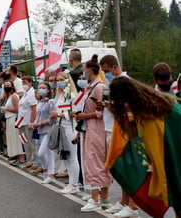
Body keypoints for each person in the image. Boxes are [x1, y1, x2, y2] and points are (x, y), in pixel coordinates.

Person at [106, 77, 181, 218]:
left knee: (176, 192)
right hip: (173, 151)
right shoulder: (152, 103)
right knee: (176, 196)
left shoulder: (152, 114)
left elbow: (158, 145)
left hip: (174, 152)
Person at [100, 54, 139, 217]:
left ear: (114, 67)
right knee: (121, 168)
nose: (105, 73)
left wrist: (112, 106)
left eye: (106, 70)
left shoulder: (125, 81)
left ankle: (133, 206)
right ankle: (124, 202)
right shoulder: (112, 82)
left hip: (124, 129)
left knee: (128, 168)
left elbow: (129, 106)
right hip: (112, 128)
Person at [72, 55, 112, 212]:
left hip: (96, 128)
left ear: (89, 70)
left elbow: (100, 111)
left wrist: (83, 116)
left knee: (95, 161)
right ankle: (102, 197)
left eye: (85, 70)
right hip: (89, 127)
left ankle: (97, 198)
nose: (83, 73)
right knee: (95, 160)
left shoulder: (99, 87)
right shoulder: (90, 87)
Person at [49, 72, 80, 194]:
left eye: (62, 79)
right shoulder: (60, 96)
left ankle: (74, 184)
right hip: (61, 128)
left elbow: (75, 113)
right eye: (58, 80)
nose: (59, 82)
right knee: (66, 157)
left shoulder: (71, 95)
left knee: (72, 157)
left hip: (70, 129)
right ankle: (71, 183)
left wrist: (59, 114)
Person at [32, 82, 56, 181]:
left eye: (43, 88)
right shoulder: (40, 102)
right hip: (39, 131)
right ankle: (49, 173)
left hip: (48, 130)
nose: (41, 89)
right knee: (45, 153)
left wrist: (41, 123)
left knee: (42, 153)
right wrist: (34, 123)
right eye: (40, 87)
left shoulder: (51, 102)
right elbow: (37, 117)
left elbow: (52, 119)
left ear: (48, 90)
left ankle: (48, 172)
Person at [17, 76, 37, 168]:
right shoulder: (25, 93)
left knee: (31, 142)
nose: (23, 84)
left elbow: (34, 108)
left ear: (30, 83)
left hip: (28, 121)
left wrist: (31, 122)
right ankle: (29, 160)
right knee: (25, 142)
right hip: (21, 121)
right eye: (22, 83)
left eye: (25, 82)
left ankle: (35, 161)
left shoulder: (32, 93)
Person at [2, 80, 24, 163]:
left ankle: (21, 157)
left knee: (16, 138)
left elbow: (17, 109)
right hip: (8, 119)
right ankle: (16, 156)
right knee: (12, 138)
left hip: (13, 118)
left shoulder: (14, 96)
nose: (6, 87)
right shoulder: (9, 97)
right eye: (5, 85)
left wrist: (6, 109)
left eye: (8, 85)